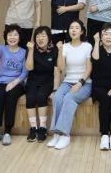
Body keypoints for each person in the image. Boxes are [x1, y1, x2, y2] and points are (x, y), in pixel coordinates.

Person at [47, 20, 93, 150]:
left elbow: (89, 68)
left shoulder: (87, 46)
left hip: (85, 83)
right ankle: (57, 134)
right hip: (67, 81)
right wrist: (60, 50)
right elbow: (61, 68)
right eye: (71, 27)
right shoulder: (65, 47)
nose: (73, 30)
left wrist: (80, 82)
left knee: (69, 98)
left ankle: (65, 135)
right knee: (57, 97)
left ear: (82, 31)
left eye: (77, 28)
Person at [0, 24, 28, 146]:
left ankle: (7, 131)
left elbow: (25, 71)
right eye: (10, 35)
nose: (12, 37)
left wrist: (14, 82)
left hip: (17, 82)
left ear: (19, 37)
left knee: (11, 96)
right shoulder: (2, 49)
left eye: (15, 35)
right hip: (1, 81)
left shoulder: (24, 52)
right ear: (6, 37)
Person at [25, 26, 58, 143]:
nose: (40, 38)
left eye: (43, 36)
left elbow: (57, 70)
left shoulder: (54, 50)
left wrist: (55, 89)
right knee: (30, 98)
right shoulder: (31, 49)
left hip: (48, 81)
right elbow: (29, 67)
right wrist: (30, 50)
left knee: (41, 96)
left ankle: (43, 128)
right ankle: (33, 128)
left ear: (49, 38)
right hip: (32, 81)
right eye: (38, 36)